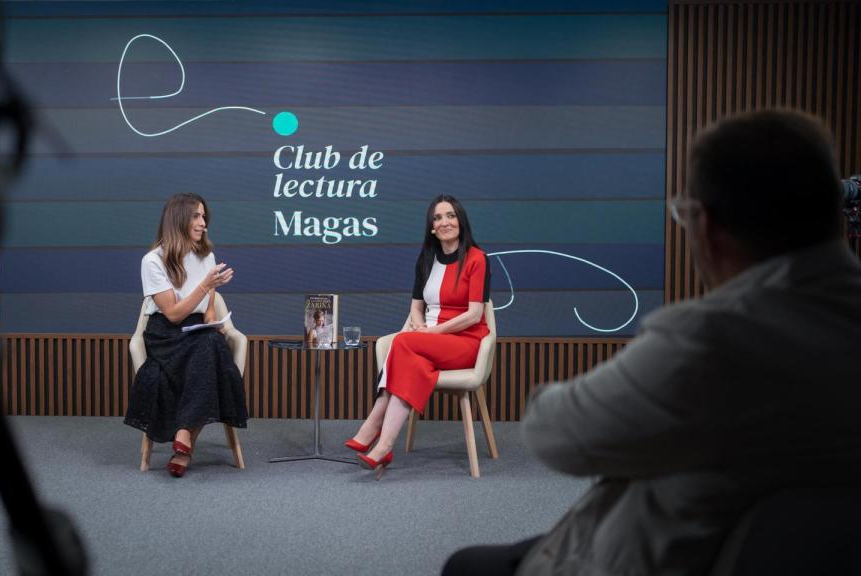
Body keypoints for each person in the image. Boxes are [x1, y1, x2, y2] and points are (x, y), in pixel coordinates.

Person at [443, 110, 861, 575]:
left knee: (467, 566)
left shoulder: (711, 338)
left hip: (663, 553)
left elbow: (553, 435)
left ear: (709, 228)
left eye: (685, 216)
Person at [345, 195, 490, 478]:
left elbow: (474, 315)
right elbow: (415, 308)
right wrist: (421, 327)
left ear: (460, 221)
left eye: (450, 215)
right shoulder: (426, 259)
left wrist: (428, 332)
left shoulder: (477, 259)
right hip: (427, 344)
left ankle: (373, 422)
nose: (444, 222)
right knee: (411, 361)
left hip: (465, 343)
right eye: (437, 218)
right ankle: (383, 446)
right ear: (432, 227)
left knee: (402, 342)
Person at [123, 193, 249, 477]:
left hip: (198, 331)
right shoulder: (153, 261)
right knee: (210, 351)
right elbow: (174, 315)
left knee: (211, 341)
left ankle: (184, 437)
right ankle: (187, 440)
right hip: (166, 333)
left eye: (204, 217)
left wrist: (212, 321)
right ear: (178, 219)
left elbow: (208, 311)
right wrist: (206, 285)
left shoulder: (207, 255)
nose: (203, 223)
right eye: (196, 216)